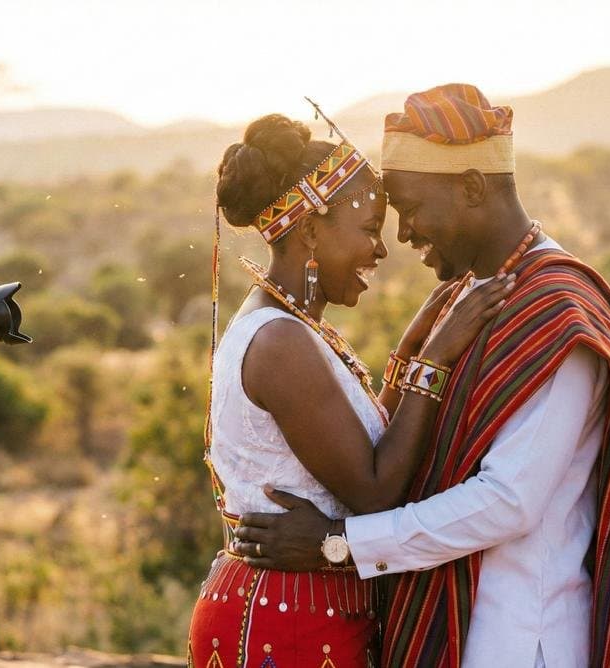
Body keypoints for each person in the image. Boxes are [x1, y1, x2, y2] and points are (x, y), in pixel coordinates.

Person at [232, 85, 610, 667]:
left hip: (521, 639)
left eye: (409, 210)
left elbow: (509, 501)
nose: (404, 237)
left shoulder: (556, 309)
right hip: (453, 632)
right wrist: (413, 362)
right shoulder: (471, 297)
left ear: (472, 188)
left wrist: (339, 546)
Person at [188, 113, 514, 668]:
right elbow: (373, 489)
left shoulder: (290, 327)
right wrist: (433, 362)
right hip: (287, 619)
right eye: (368, 231)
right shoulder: (281, 341)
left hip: (296, 608)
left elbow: (351, 454)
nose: (381, 252)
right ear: (311, 230)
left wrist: (408, 354)